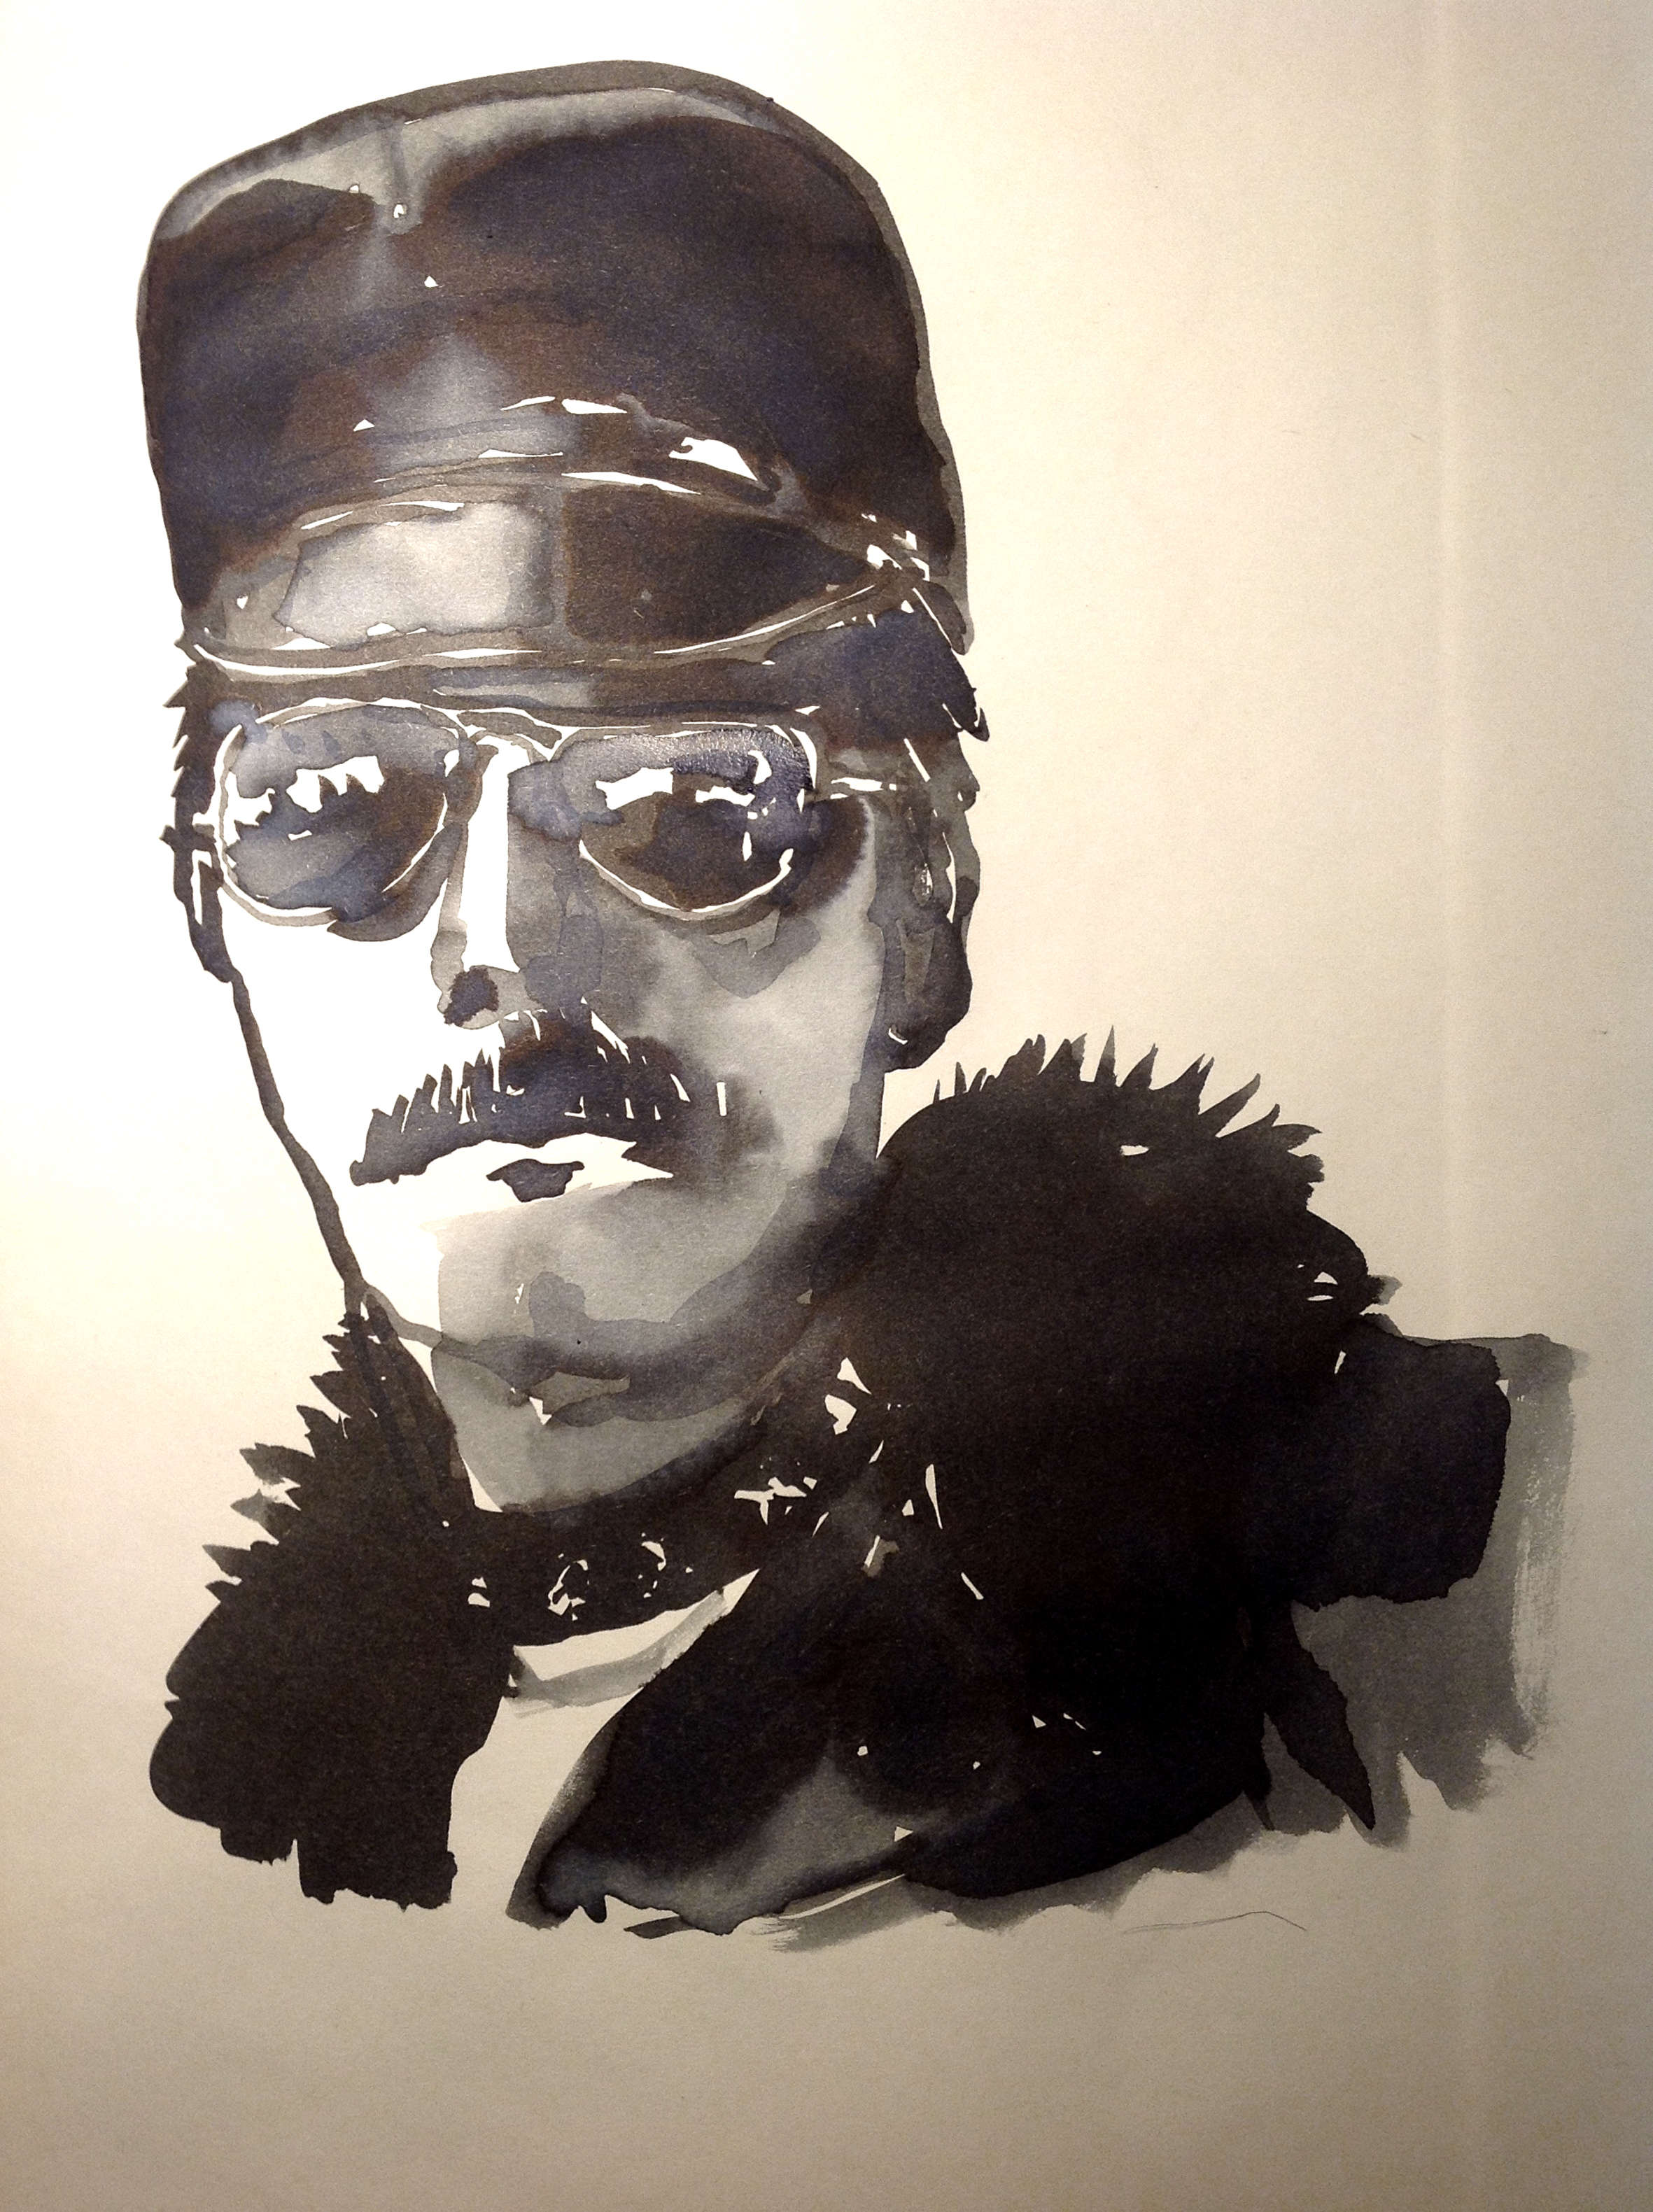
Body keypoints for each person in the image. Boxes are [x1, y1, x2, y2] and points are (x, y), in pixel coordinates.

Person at [139, 62, 1514, 1933]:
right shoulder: (257, 1797)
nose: (504, 946)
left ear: (927, 906)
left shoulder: (1412, 1572)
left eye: (693, 807)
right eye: (329, 810)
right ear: (207, 908)